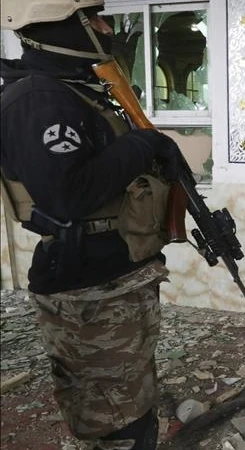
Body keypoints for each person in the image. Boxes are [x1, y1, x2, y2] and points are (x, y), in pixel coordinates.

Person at [0, 1, 183, 449]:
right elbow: (67, 196)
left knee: (132, 402)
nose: (106, 27)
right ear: (62, 28)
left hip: (112, 277)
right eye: (95, 18)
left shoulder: (76, 89)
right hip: (87, 287)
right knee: (115, 422)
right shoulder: (40, 99)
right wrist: (144, 144)